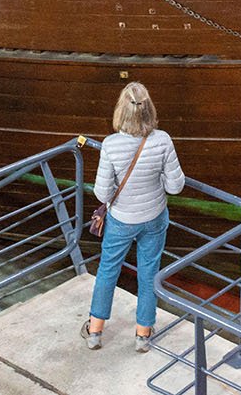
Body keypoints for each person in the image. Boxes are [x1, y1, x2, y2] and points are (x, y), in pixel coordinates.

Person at [81, 82, 185, 353]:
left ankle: (95, 331)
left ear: (120, 111)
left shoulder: (111, 145)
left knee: (107, 270)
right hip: (154, 217)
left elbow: (102, 192)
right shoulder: (162, 140)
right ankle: (143, 334)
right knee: (149, 272)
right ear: (149, 109)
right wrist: (157, 175)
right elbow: (175, 187)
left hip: (122, 220)